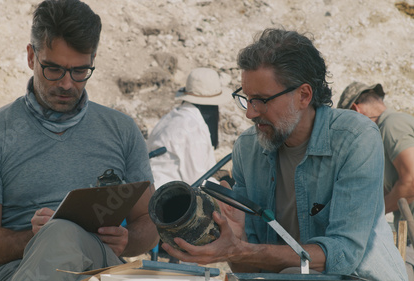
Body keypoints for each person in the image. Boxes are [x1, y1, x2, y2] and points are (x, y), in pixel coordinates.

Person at [161, 28, 408, 280]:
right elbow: (250, 268)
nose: (250, 113)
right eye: (247, 99)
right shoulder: (248, 148)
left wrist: (244, 251)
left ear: (303, 95)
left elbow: (343, 255)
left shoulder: (355, 138)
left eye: (261, 100)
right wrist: (237, 240)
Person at [0, 0, 158, 280]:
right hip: (18, 269)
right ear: (31, 57)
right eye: (53, 69)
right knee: (61, 232)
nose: (66, 83)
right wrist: (37, 238)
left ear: (93, 60)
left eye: (79, 71)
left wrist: (127, 240)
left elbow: (149, 221)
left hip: (102, 269)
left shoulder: (121, 130)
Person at [338, 81, 414, 279]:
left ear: (355, 111)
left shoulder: (391, 124)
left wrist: (369, 215)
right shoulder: (389, 129)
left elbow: (412, 181)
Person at [146, 68, 231, 189]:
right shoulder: (195, 127)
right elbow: (198, 182)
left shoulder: (170, 117)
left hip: (148, 188)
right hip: (165, 195)